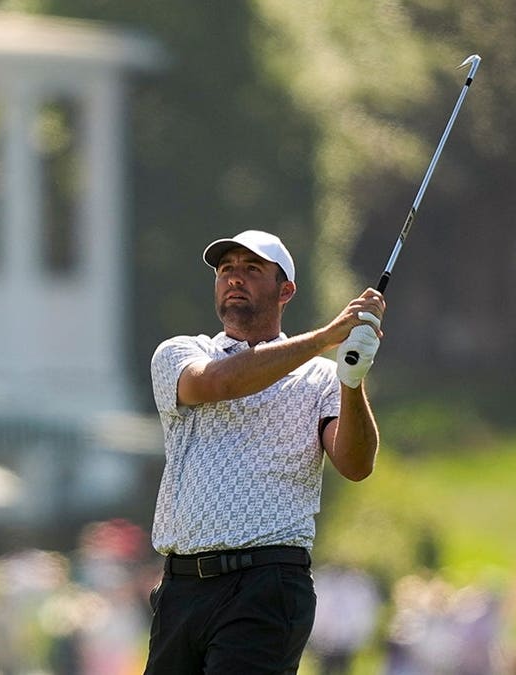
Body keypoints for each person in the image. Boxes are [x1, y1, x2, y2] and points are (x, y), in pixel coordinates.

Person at [143, 230, 384, 674]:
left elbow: (355, 464)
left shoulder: (321, 379)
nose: (234, 279)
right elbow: (219, 383)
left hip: (266, 584)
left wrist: (352, 381)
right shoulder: (181, 352)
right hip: (181, 588)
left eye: (251, 270)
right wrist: (326, 337)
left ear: (285, 290)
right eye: (226, 270)